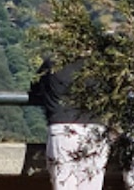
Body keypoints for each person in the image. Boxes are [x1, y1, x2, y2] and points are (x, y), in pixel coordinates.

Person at [28, 57, 109, 190]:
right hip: (95, 129)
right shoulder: (101, 65)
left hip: (62, 128)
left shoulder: (52, 63)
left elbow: (35, 87)